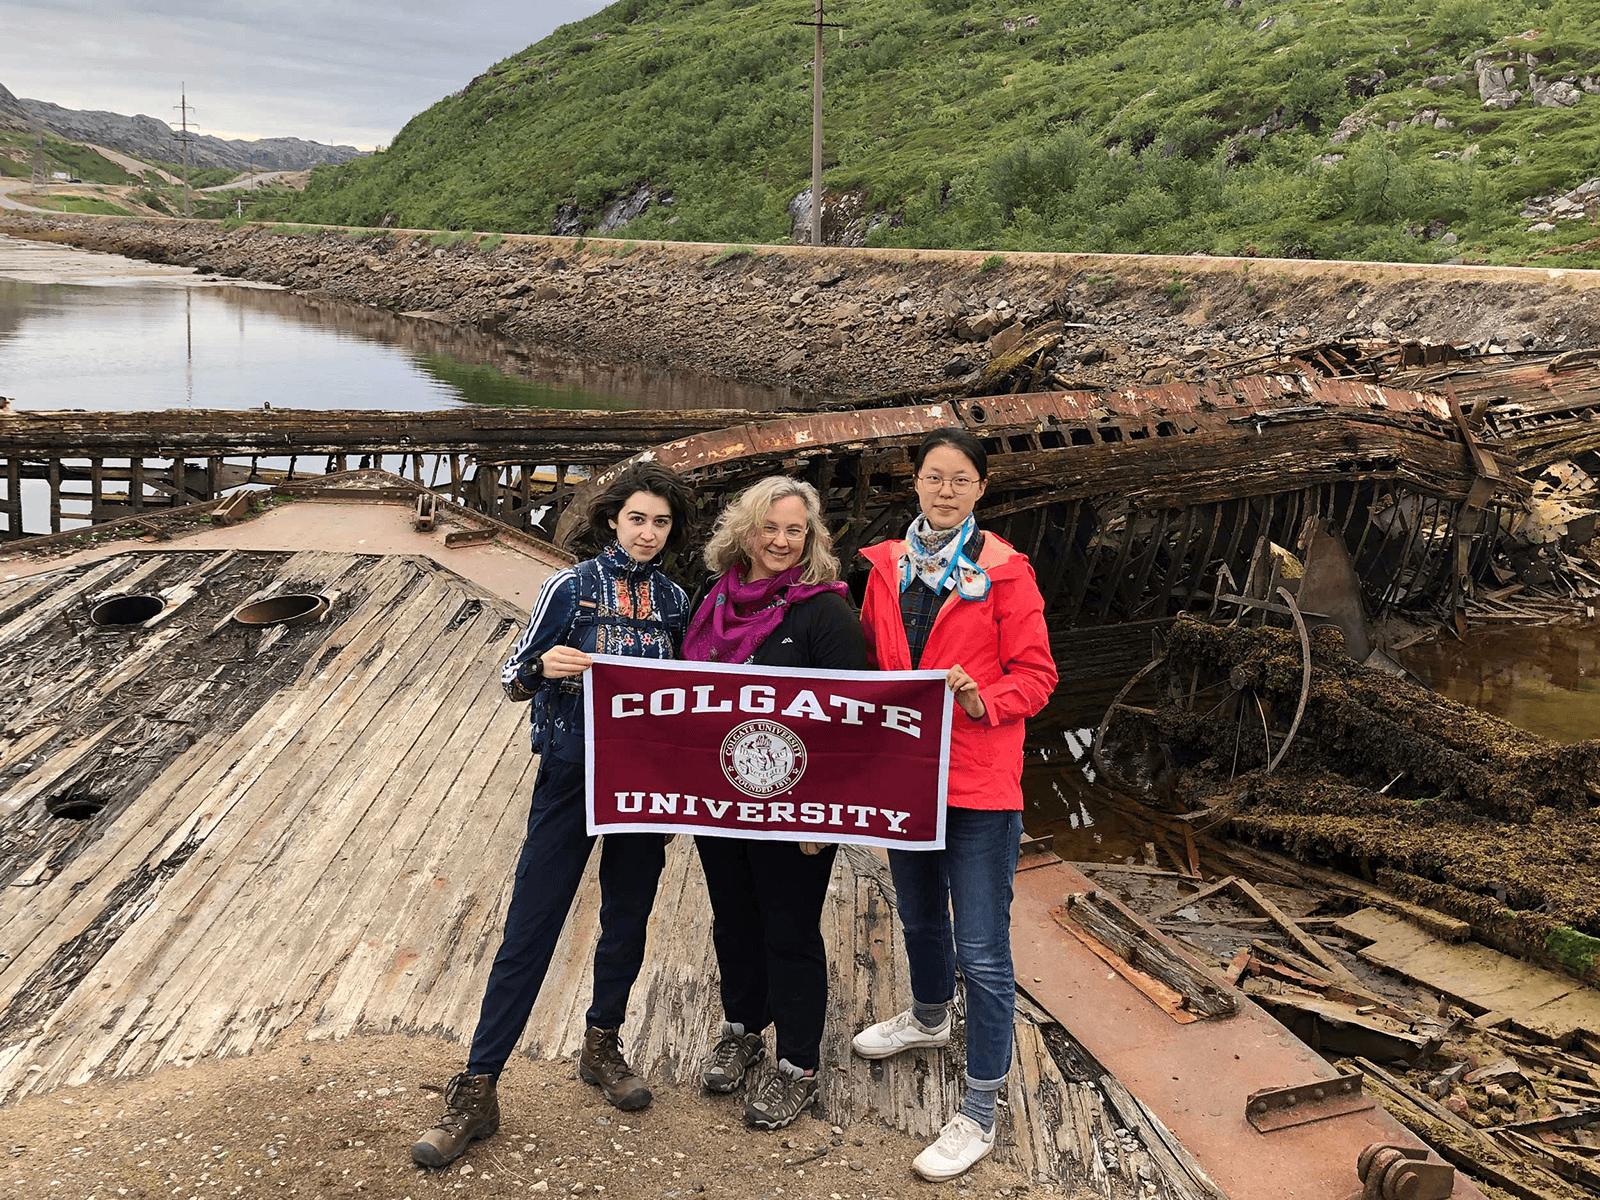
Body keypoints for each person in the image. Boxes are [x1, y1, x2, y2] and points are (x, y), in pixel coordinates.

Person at [412, 462, 694, 1169]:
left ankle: (602, 1045)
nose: (648, 532)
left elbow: (691, 693)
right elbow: (512, 677)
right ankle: (477, 1087)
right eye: (637, 519)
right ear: (612, 521)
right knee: (531, 925)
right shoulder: (569, 587)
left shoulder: (676, 600)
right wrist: (547, 668)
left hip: (642, 785)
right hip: (572, 774)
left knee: (627, 917)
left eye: (660, 522)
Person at [850, 428, 1057, 1181]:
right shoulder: (886, 567)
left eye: (959, 480)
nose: (944, 490)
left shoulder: (1006, 573)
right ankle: (931, 1018)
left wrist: (981, 699)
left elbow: (1037, 679)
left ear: (980, 489)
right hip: (905, 780)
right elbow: (872, 669)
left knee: (984, 951)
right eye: (934, 477)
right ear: (917, 484)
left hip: (977, 784)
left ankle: (978, 1110)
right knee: (914, 915)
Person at [680, 476, 868, 1130]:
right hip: (718, 797)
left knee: (789, 930)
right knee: (733, 918)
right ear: (745, 531)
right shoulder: (710, 597)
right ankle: (742, 1028)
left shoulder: (824, 612)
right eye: (771, 527)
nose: (782, 541)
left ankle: (798, 1065)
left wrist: (827, 809)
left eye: (796, 530)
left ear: (810, 538)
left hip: (797, 808)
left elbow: (858, 717)